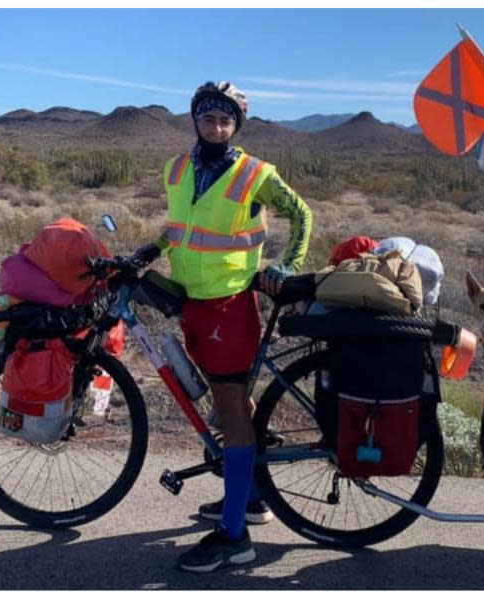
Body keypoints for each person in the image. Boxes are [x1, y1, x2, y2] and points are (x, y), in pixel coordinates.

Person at [132, 81, 312, 573]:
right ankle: (251, 498)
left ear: (236, 125)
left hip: (230, 304)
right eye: (209, 118)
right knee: (231, 402)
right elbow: (180, 228)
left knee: (231, 412)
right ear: (195, 119)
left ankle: (235, 538)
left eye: (225, 120)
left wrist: (287, 266)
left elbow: (302, 215)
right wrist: (151, 251)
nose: (216, 127)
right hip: (193, 301)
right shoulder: (177, 169)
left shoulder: (254, 173)